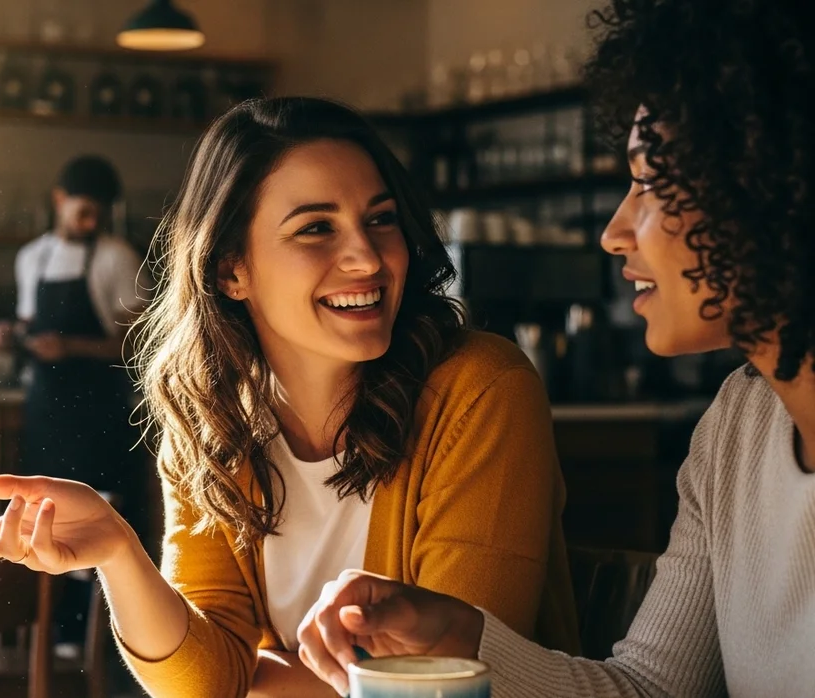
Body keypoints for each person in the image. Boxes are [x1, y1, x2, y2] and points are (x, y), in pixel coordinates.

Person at [0, 97, 578, 697]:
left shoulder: (481, 392)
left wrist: (257, 680)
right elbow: (205, 679)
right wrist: (119, 554)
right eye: (316, 228)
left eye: (381, 220)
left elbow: (443, 683)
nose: (370, 259)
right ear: (230, 268)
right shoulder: (210, 415)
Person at [294, 1, 815, 696]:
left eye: (648, 183)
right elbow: (648, 689)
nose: (615, 231)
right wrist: (464, 637)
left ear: (770, 182)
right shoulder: (737, 427)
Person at [0, 155, 150, 645]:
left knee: (98, 525)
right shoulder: (31, 257)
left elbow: (138, 342)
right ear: (58, 200)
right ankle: (49, 640)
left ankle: (102, 647)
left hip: (99, 413)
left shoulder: (116, 258)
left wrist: (72, 347)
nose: (91, 222)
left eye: (99, 213)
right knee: (45, 519)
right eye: (83, 211)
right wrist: (10, 333)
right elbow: (28, 321)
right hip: (46, 412)